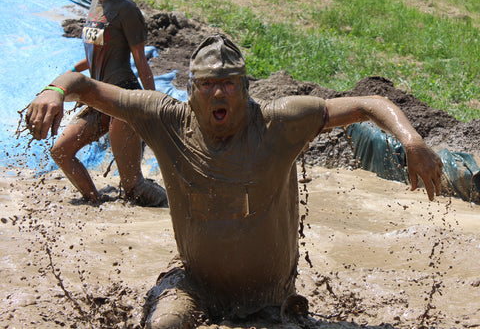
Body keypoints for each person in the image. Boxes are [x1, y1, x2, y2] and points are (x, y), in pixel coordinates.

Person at [25, 34, 443, 328]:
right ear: (191, 91)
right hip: (195, 284)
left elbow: (369, 103)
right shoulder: (165, 119)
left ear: (245, 88)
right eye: (207, 85)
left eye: (228, 84)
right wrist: (53, 92)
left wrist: (411, 141)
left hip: (271, 299)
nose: (218, 94)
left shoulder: (279, 122)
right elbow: (84, 85)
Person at [49, 0, 166, 206]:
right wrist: (70, 73)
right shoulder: (95, 2)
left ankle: (173, 210)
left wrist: (151, 102)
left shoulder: (126, 9)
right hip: (97, 97)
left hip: (123, 98)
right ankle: (95, 204)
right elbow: (97, 50)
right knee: (60, 152)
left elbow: (140, 60)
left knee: (133, 186)